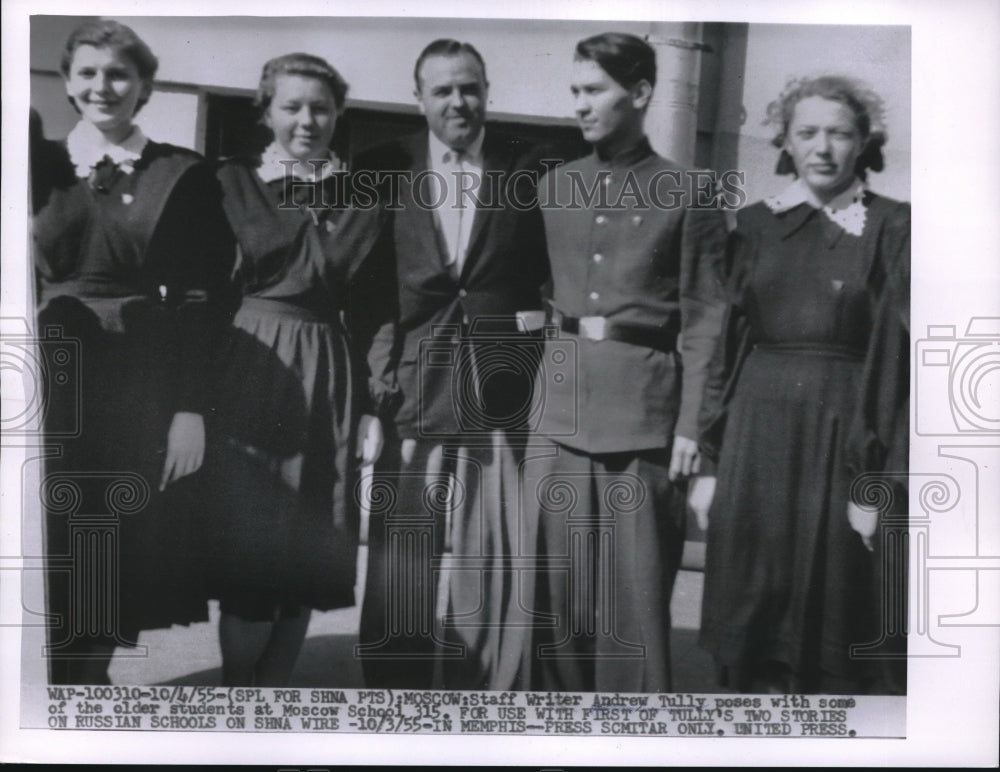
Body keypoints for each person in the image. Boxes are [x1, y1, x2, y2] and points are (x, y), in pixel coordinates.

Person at [690, 75, 911, 693]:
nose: (823, 148)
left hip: (843, 440)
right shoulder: (755, 226)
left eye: (840, 133)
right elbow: (728, 348)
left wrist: (873, 484)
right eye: (807, 132)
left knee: (835, 629)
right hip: (755, 445)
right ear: (785, 140)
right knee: (752, 620)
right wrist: (710, 465)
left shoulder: (893, 227)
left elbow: (896, 364)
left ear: (864, 142)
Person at [526, 32, 729, 693]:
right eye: (575, 92)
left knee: (632, 617)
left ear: (640, 93)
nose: (579, 106)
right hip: (558, 416)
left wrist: (692, 428)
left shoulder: (688, 192)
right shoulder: (555, 186)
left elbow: (706, 322)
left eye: (594, 91)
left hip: (643, 423)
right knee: (556, 613)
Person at [31, 20, 231, 684]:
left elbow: (201, 299)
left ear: (144, 86)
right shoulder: (34, 163)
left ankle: (86, 686)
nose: (101, 86)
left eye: (118, 73)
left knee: (109, 546)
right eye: (87, 72)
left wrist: (189, 409)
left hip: (137, 387)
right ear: (66, 83)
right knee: (42, 545)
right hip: (44, 377)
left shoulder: (183, 174)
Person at [356, 39, 549, 690]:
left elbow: (547, 279)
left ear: (488, 91)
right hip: (413, 385)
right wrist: (374, 389)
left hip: (501, 385)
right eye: (442, 90)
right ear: (419, 99)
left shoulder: (529, 169)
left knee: (489, 549)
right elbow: (369, 289)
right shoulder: (383, 166)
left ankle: (484, 689)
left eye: (469, 88)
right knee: (405, 547)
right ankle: (397, 691)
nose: (458, 101)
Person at [205, 53, 387, 686]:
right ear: (266, 111)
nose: (307, 120)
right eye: (291, 106)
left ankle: (274, 690)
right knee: (251, 553)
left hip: (330, 378)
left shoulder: (363, 199)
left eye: (321, 107)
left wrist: (370, 404)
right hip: (252, 370)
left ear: (338, 113)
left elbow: (374, 311)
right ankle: (237, 697)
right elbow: (205, 297)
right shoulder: (230, 182)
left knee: (311, 543)